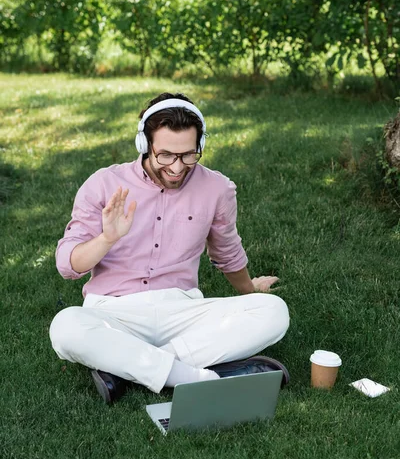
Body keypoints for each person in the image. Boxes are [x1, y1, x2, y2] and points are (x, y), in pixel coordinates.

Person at [50, 92, 290, 404]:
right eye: (165, 155)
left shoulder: (216, 188)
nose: (177, 167)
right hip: (114, 312)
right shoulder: (103, 184)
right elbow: (68, 265)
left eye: (188, 155)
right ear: (144, 145)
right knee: (65, 326)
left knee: (275, 312)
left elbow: (227, 253)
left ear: (199, 147)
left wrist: (250, 290)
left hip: (182, 310)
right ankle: (194, 377)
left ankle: (127, 368)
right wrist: (107, 238)